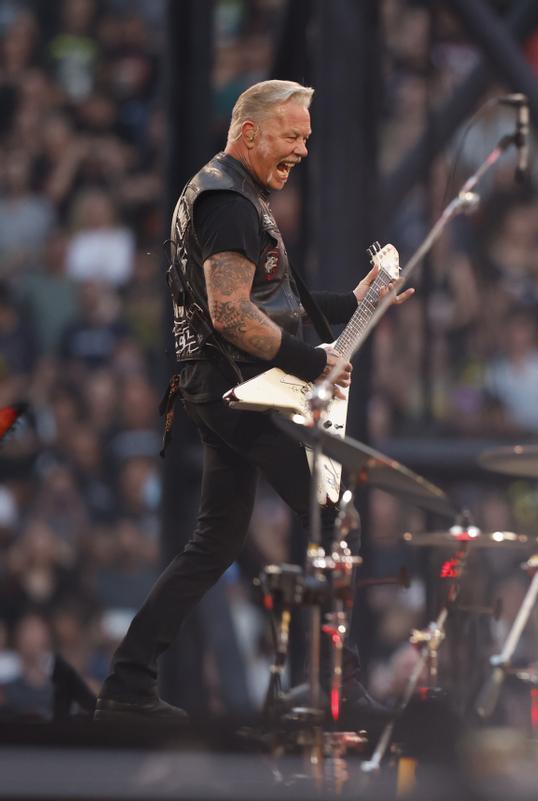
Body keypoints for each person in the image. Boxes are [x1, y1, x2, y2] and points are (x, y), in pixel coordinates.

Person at [94, 80, 412, 720]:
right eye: (291, 136)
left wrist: (358, 302)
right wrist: (313, 362)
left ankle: (128, 682)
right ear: (249, 134)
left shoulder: (231, 196)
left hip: (224, 390)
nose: (301, 149)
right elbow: (232, 315)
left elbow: (277, 310)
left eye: (306, 138)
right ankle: (340, 693)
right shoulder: (231, 203)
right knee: (333, 519)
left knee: (216, 542)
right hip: (242, 392)